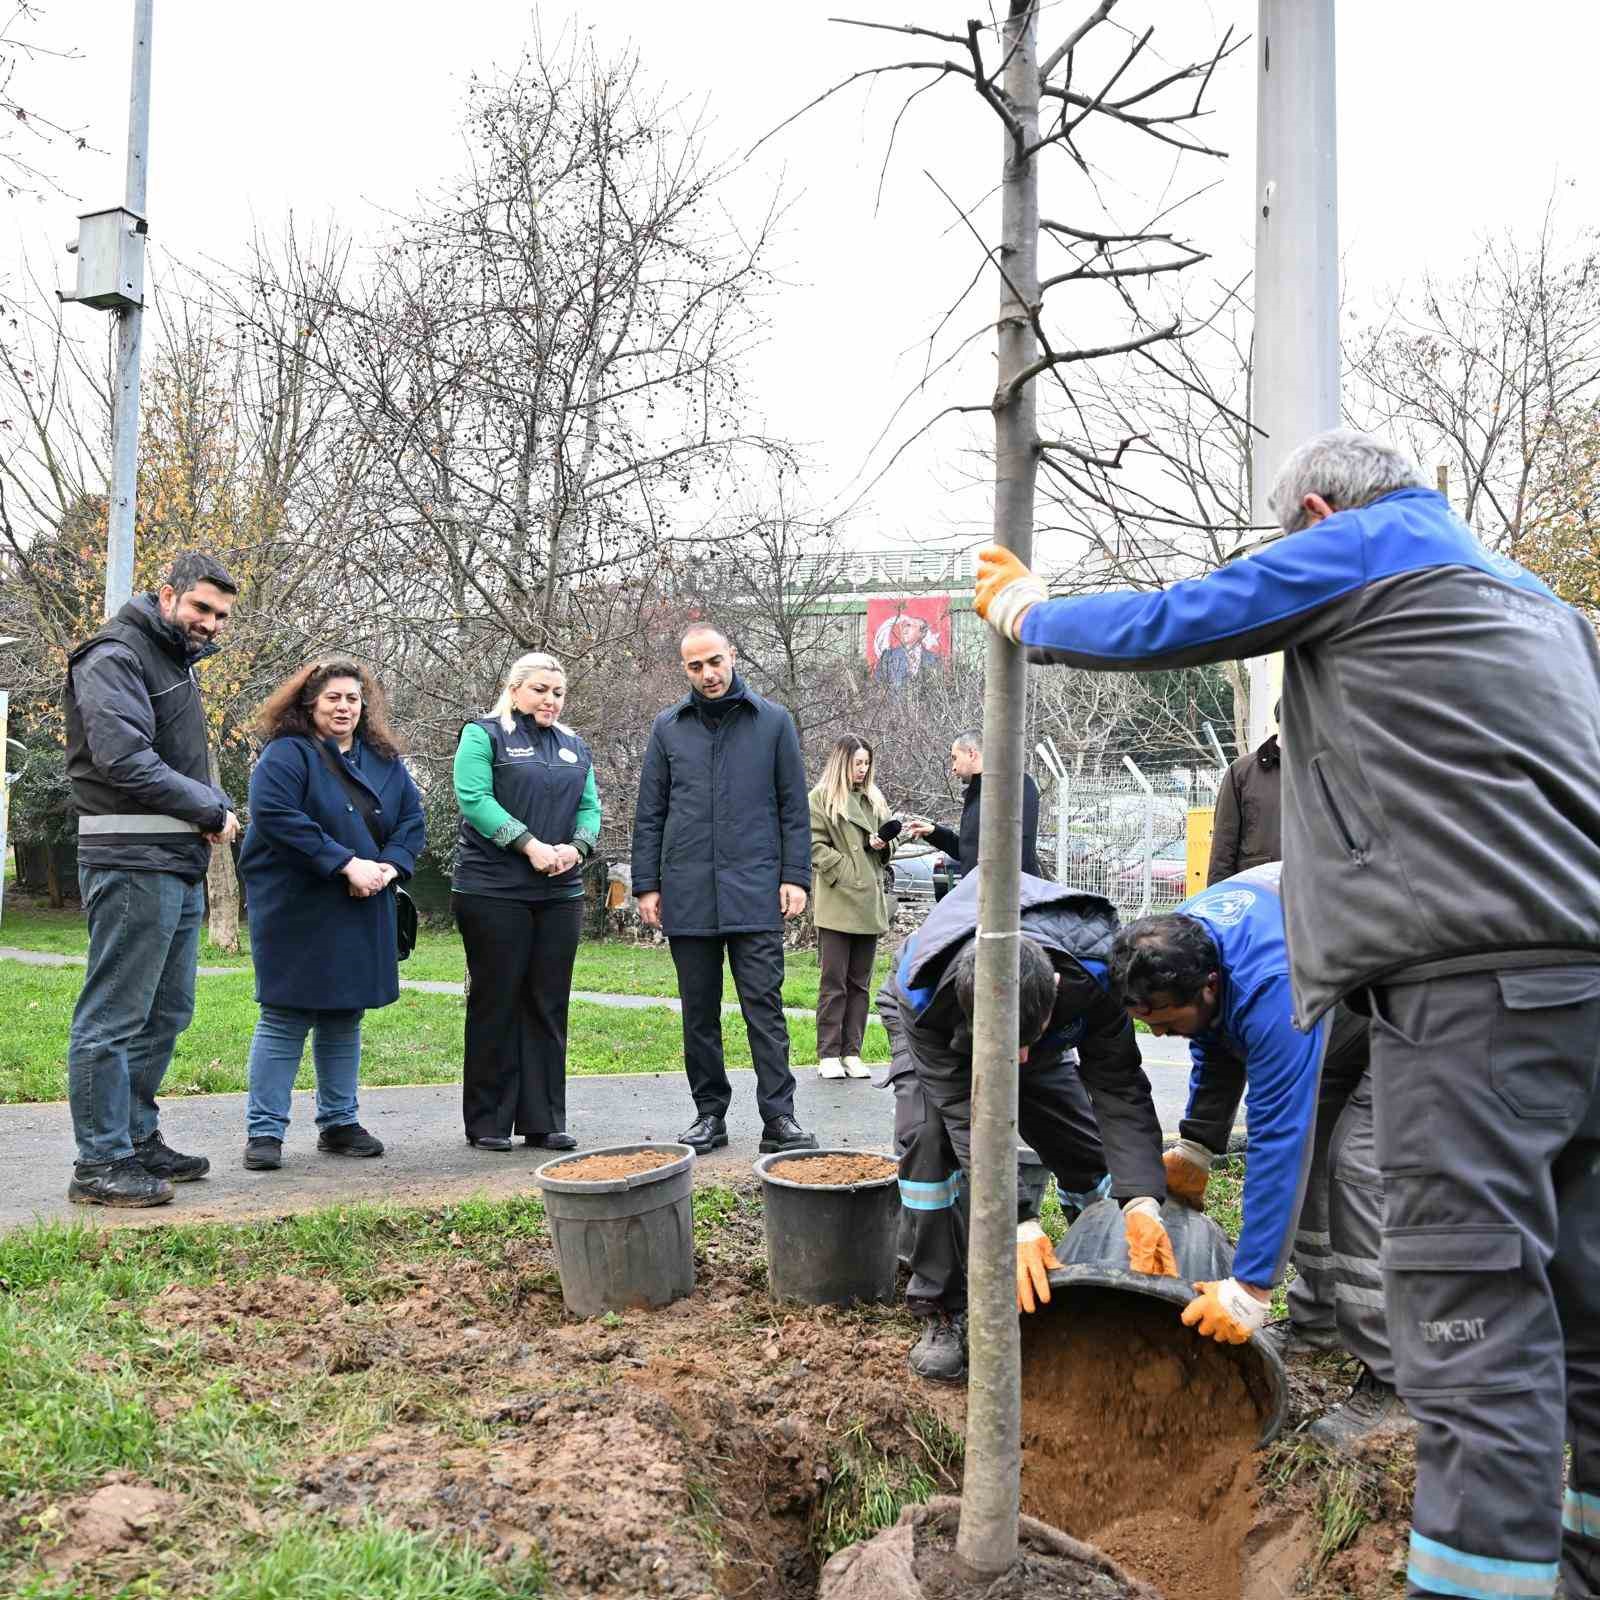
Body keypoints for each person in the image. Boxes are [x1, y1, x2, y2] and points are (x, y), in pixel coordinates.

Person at [975, 428, 1600, 1600]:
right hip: (1584, 990)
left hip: (1469, 1002)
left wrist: (1031, 614)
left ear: (1314, 516)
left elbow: (1176, 615)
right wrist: (1191, 1155)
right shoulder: (1545, 611)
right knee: (1589, 1317)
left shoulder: (1366, 549)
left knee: (1476, 1335)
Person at [1113, 863, 1407, 1451]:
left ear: (1209, 986)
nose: (1162, 1036)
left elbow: (1278, 1140)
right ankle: (1320, 1320)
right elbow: (1219, 1037)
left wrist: (1250, 1286)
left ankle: (1395, 1384)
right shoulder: (1188, 940)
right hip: (1342, 1001)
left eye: (1167, 1022)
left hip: (1415, 1012)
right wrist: (1196, 1143)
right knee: (1319, 1157)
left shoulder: (1270, 983)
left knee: (1354, 1165)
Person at [877, 869, 1172, 1382]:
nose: (1015, 1061)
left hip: (1036, 1014)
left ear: (1055, 991)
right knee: (928, 1140)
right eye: (1006, 1047)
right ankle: (941, 1305)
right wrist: (1014, 1218)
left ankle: (1099, 1272)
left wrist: (1143, 1195)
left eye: (1024, 1043)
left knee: (1084, 1144)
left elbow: (1119, 1085)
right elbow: (967, 1119)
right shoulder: (924, 996)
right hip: (947, 1034)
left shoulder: (1100, 974)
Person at [62, 551, 241, 1207]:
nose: (211, 623)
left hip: (174, 862)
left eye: (221, 615)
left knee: (166, 1012)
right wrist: (210, 808)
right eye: (201, 608)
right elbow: (124, 759)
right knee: (113, 1017)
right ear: (167, 596)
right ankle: (100, 1163)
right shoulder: (115, 654)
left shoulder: (171, 662)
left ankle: (135, 1138)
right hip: (131, 860)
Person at [633, 624, 819, 1156]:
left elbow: (793, 809)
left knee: (765, 1007)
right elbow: (651, 812)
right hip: (688, 892)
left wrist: (795, 876)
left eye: (715, 661)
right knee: (699, 1010)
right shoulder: (667, 728)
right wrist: (647, 884)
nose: (708, 674)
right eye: (695, 666)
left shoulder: (774, 722)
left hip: (756, 889)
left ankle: (779, 1117)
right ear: (683, 669)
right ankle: (709, 1114)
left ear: (732, 656)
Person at [238, 660, 425, 1170]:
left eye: (353, 699)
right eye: (333, 698)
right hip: (298, 906)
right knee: (285, 1015)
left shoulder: (384, 761)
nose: (344, 707)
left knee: (346, 1014)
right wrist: (345, 864)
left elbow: (411, 821)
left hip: (364, 902)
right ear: (309, 703)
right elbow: (277, 817)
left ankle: (340, 1123)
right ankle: (265, 1132)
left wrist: (389, 868)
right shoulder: (286, 755)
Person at [451, 652, 600, 1152]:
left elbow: (590, 807)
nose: (550, 700)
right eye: (540, 690)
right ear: (514, 690)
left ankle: (543, 1119)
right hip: (493, 890)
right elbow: (474, 798)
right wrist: (528, 844)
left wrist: (574, 849)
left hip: (559, 893)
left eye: (558, 692)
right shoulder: (484, 734)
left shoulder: (575, 745)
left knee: (547, 1002)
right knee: (497, 1000)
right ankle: (488, 1120)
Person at [808, 735, 928, 1081]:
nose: (862, 769)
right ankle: (828, 1052)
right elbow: (814, 846)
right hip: (837, 900)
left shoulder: (874, 799)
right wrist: (847, 869)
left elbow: (886, 846)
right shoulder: (820, 799)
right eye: (857, 763)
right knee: (834, 981)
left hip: (868, 902)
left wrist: (882, 845)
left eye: (866, 763)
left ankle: (852, 1051)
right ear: (842, 763)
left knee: (860, 983)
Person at [924, 729, 1042, 888]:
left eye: (955, 758)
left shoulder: (1015, 784)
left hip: (1010, 900)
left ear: (972, 754)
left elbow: (1017, 850)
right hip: (984, 899)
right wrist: (934, 833)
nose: (953, 768)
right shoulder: (978, 792)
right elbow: (970, 853)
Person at [1207, 711, 1281, 886]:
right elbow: (1223, 845)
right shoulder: (1242, 772)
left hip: (1311, 896)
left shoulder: (1324, 772)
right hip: (1257, 890)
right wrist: (1218, 900)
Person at [875, 612, 937, 686]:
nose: (905, 629)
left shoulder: (933, 659)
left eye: (909, 626)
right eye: (904, 626)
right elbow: (877, 687)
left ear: (922, 633)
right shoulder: (888, 657)